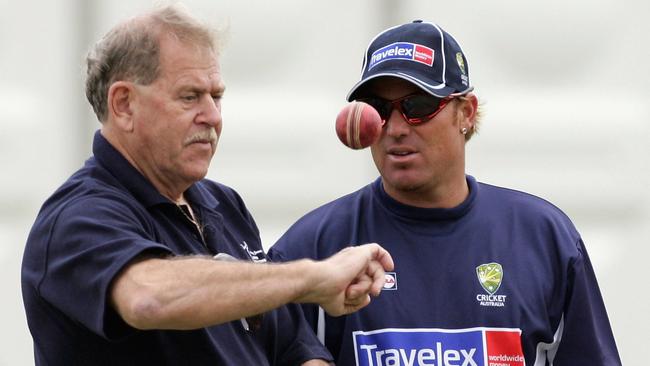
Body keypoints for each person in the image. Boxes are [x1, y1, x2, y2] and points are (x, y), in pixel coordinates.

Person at [20, 5, 394, 365]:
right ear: (123, 104)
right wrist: (315, 277)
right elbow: (148, 296)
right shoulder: (77, 216)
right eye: (189, 96)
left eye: (216, 96)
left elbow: (293, 348)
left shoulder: (223, 203)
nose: (213, 117)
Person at [268, 20, 621, 366]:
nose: (395, 128)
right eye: (378, 109)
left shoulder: (545, 238)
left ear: (465, 113)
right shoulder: (312, 249)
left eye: (418, 106)